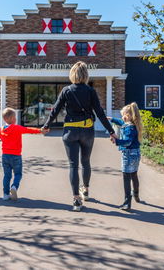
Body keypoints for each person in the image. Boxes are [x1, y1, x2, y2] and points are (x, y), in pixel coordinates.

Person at [42, 61, 118, 211]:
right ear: (86, 75)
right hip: (87, 131)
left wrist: (46, 125)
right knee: (86, 162)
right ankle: (86, 190)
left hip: (70, 131)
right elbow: (100, 113)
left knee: (73, 165)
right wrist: (111, 131)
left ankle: (76, 199)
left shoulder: (66, 90)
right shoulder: (91, 91)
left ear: (72, 74)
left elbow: (55, 110)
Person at [0, 108, 47, 201]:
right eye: (14, 117)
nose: (15, 118)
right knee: (18, 174)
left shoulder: (1, 130)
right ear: (11, 118)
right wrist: (40, 130)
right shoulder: (17, 128)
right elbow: (28, 130)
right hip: (16, 156)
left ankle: (5, 194)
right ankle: (14, 186)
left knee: (7, 175)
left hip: (5, 156)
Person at [108, 102, 143, 211]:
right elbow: (122, 122)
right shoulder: (134, 125)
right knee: (134, 175)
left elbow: (127, 142)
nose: (122, 117)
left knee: (126, 178)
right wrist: (112, 119)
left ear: (129, 116)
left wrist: (116, 140)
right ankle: (136, 194)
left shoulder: (129, 128)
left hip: (128, 154)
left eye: (123, 115)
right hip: (136, 153)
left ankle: (127, 202)